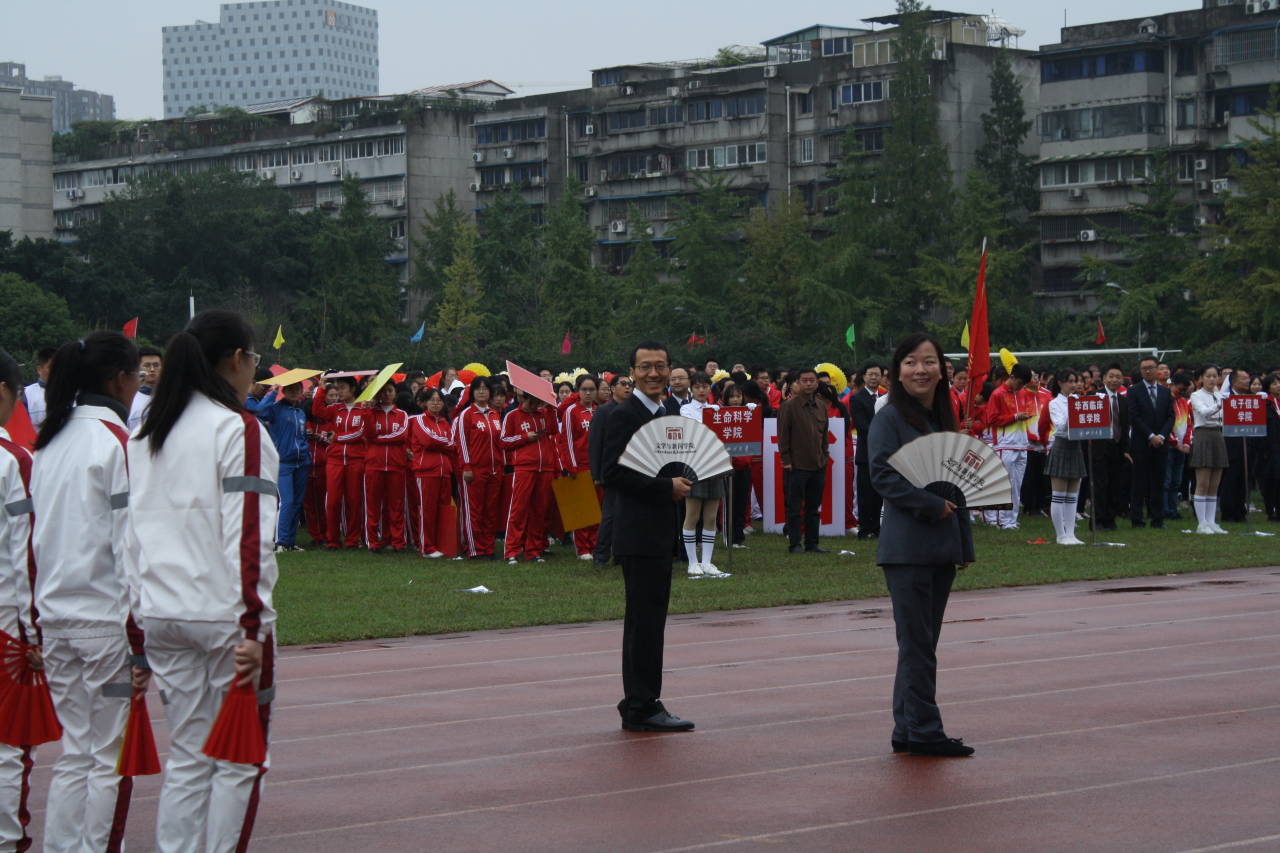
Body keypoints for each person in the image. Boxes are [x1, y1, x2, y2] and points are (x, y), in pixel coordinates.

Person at [128, 310, 277, 851]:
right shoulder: (238, 429)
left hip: (161, 612)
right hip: (223, 619)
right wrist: (252, 625)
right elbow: (249, 531)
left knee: (189, 756)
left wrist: (137, 626)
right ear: (236, 359)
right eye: (254, 359)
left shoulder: (145, 434)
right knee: (239, 761)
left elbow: (129, 538)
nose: (254, 370)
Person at [31, 332, 147, 851]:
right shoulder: (117, 443)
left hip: (56, 616)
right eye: (138, 377)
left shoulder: (49, 442)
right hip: (104, 622)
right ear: (120, 380)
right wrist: (139, 639)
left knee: (77, 751)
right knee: (107, 757)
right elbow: (130, 547)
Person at [868, 332, 975, 757]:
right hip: (907, 548)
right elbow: (882, 475)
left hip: (941, 547)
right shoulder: (889, 418)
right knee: (916, 645)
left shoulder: (943, 419)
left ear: (942, 370)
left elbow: (957, 485)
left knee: (922, 644)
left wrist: (963, 544)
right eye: (911, 362)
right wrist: (930, 505)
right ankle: (925, 731)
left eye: (929, 361)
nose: (920, 370)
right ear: (897, 371)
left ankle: (907, 727)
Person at [602, 341, 695, 732]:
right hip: (638, 532)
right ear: (632, 372)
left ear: (670, 369)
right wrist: (665, 487)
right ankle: (641, 706)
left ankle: (640, 701)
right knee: (644, 623)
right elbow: (612, 473)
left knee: (651, 620)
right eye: (645, 367)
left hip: (661, 529)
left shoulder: (668, 410)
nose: (653, 373)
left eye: (660, 366)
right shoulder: (623, 415)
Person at [0, 349, 38, 852]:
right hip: (5, 622)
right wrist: (32, 632)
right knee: (7, 744)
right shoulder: (14, 461)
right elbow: (25, 552)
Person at [247, 381, 311, 551]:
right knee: (287, 501)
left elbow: (302, 436)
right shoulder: (275, 409)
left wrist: (306, 453)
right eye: (291, 389)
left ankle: (290, 542)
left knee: (297, 503)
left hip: (302, 462)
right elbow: (259, 412)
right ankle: (280, 541)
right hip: (283, 463)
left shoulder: (300, 412)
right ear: (284, 390)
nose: (295, 392)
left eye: (298, 389)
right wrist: (273, 393)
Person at [500, 390, 562, 564]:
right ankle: (512, 551)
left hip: (545, 468)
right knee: (518, 509)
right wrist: (524, 437)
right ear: (524, 399)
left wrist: (551, 407)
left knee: (540, 510)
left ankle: (533, 551)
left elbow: (553, 430)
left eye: (538, 401)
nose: (536, 405)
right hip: (524, 468)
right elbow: (503, 441)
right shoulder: (512, 415)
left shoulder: (543, 413)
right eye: (533, 401)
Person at [678, 373, 731, 578]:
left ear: (710, 388)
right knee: (692, 515)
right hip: (695, 464)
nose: (701, 390)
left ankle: (707, 562)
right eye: (697, 387)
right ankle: (693, 562)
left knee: (710, 516)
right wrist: (715, 416)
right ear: (691, 389)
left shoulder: (716, 409)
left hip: (715, 464)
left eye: (705, 386)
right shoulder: (686, 409)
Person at [311, 376, 370, 550]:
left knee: (354, 500)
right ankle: (332, 540)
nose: (339, 392)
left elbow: (360, 432)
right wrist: (322, 390)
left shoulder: (362, 408)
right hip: (335, 460)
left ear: (353, 388)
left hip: (356, 460)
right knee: (333, 501)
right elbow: (317, 411)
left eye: (343, 387)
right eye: (338, 388)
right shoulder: (335, 408)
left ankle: (352, 539)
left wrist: (337, 438)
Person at [778, 367, 829, 555]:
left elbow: (824, 435)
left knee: (813, 508)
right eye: (804, 380)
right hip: (796, 465)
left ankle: (812, 543)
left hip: (818, 464)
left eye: (812, 380)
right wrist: (786, 459)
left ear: (817, 383)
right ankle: (795, 543)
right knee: (794, 507)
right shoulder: (789, 406)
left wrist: (824, 455)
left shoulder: (822, 406)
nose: (808, 384)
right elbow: (782, 436)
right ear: (798, 383)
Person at [452, 377, 504, 560]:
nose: (482, 392)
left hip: (495, 469)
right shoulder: (466, 415)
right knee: (474, 510)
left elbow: (499, 442)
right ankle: (475, 549)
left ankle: (488, 548)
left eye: (485, 388)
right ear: (472, 393)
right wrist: (466, 466)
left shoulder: (495, 414)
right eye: (478, 389)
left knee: (490, 511)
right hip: (474, 470)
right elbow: (462, 443)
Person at [1127, 357, 1174, 529]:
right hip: (1141, 443)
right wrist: (1150, 436)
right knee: (1139, 482)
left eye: (1151, 367)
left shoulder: (1165, 391)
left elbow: (1171, 416)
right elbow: (1134, 417)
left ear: (1157, 370)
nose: (1147, 371)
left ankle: (1157, 518)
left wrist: (1161, 435)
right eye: (1144, 368)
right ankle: (1137, 518)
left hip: (1161, 444)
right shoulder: (1134, 391)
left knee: (1158, 482)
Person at [985, 363, 1034, 530]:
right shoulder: (997, 394)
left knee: (1016, 485)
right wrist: (1015, 417)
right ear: (1012, 377)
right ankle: (1001, 520)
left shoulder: (1022, 393)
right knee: (1006, 483)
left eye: (1023, 384)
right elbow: (992, 419)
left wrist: (1023, 417)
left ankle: (1012, 520)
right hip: (1005, 444)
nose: (1020, 387)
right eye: (1019, 383)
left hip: (1022, 444)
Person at [408, 387, 455, 558]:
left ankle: (442, 544)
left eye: (439, 400)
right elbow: (428, 441)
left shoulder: (444, 422)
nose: (436, 403)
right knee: (427, 510)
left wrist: (441, 443)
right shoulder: (419, 420)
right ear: (425, 403)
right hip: (426, 471)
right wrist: (444, 443)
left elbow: (452, 445)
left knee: (443, 510)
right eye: (432, 400)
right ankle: (426, 547)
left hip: (444, 471)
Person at [364, 381, 411, 553]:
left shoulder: (402, 414)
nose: (386, 394)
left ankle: (397, 541)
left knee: (396, 505)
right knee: (373, 504)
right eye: (383, 391)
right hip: (374, 465)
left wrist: (378, 439)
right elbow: (368, 433)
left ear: (395, 393)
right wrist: (367, 411)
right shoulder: (370, 412)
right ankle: (373, 541)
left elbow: (401, 435)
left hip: (395, 465)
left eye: (390, 391)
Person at [561, 374, 601, 560]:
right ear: (578, 391)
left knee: (598, 507)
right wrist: (572, 466)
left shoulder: (599, 410)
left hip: (598, 466)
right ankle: (583, 548)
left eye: (592, 389)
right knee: (583, 509)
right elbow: (567, 440)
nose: (588, 393)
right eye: (584, 389)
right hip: (579, 465)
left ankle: (595, 544)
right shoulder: (571, 411)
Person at [1046, 370, 1086, 545]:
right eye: (1070, 381)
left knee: (1072, 495)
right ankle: (1060, 535)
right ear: (1060, 383)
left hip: (1076, 446)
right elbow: (1061, 426)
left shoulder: (1078, 400)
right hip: (1061, 445)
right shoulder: (1054, 403)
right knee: (1058, 494)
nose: (1074, 384)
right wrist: (1073, 408)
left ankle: (1071, 534)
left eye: (1075, 381)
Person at [1088, 365, 1131, 531]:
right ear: (1104, 378)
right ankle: (1097, 520)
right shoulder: (1094, 397)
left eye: (1118, 377)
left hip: (1117, 447)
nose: (1114, 380)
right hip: (1099, 447)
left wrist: (1126, 449)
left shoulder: (1123, 401)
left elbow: (1125, 427)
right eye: (1111, 376)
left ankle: (1110, 519)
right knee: (1100, 485)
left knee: (1115, 484)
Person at [1189, 366, 1229, 534]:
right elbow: (1204, 413)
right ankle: (1202, 523)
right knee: (1203, 482)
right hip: (1203, 435)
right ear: (1201, 378)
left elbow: (1225, 416)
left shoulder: (1219, 395)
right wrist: (1220, 405)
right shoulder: (1196, 395)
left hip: (1218, 434)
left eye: (1215, 376)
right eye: (1208, 376)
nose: (1212, 379)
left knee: (1214, 484)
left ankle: (1211, 522)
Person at [850, 364, 883, 539]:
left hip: (883, 454)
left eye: (877, 374)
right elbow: (862, 426)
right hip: (866, 453)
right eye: (870, 374)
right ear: (864, 377)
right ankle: (864, 529)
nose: (874, 378)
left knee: (879, 493)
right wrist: (884, 434)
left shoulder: (884, 397)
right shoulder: (857, 398)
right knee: (864, 493)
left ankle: (876, 528)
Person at [1219, 369, 1255, 523]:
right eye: (1244, 379)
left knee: (1244, 477)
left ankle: (1240, 511)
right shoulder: (1227, 398)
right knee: (1230, 477)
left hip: (1247, 442)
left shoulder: (1249, 399)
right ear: (1233, 381)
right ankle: (1228, 512)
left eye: (1248, 378)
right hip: (1230, 442)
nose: (1248, 381)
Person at [1165, 372, 1194, 521]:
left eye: (1184, 390)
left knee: (1176, 481)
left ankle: (1173, 509)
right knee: (1167, 480)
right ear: (1172, 385)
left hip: (1182, 447)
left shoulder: (1184, 402)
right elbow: (1164, 425)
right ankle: (1165, 509)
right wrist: (1175, 443)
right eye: (1180, 389)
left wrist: (1187, 443)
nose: (1182, 392)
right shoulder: (1165, 400)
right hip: (1169, 446)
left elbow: (1189, 424)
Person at [127, 345, 164, 431]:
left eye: (156, 365)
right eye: (147, 365)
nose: (152, 369)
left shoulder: (170, 396)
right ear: (137, 368)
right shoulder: (130, 398)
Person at [19, 346, 56, 429]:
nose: (56, 371)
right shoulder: (26, 395)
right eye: (51, 367)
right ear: (39, 369)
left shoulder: (71, 394)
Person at [1261, 374, 1280, 522]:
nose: (1278, 386)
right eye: (1274, 384)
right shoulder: (1265, 404)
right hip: (1270, 449)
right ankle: (1270, 510)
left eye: (1278, 383)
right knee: (1271, 480)